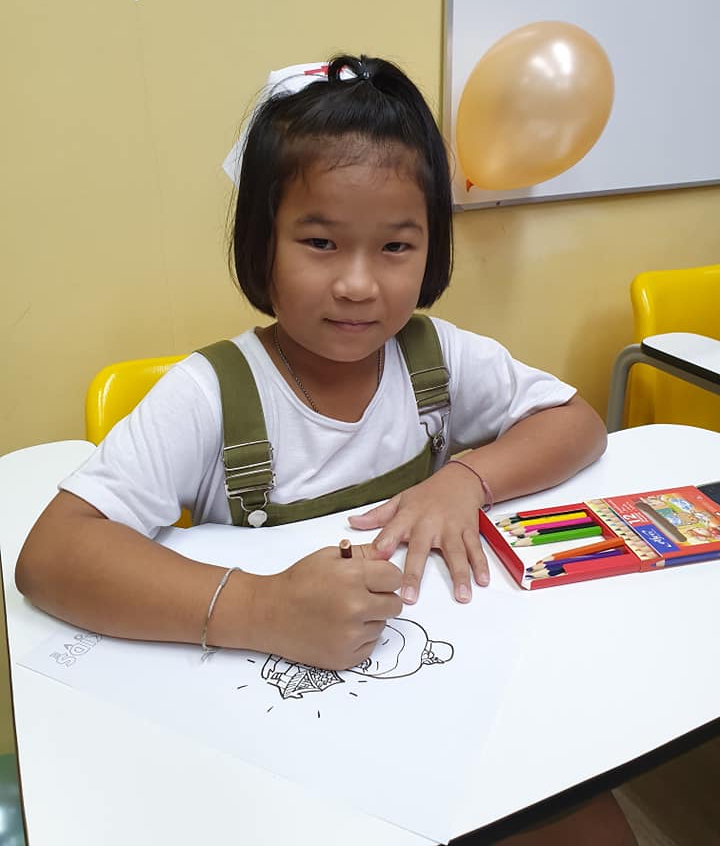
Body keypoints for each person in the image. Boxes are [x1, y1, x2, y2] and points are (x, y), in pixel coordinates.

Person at [15, 53, 635, 844]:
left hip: (436, 711)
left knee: (586, 817)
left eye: (396, 247)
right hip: (275, 743)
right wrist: (260, 609)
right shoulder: (210, 394)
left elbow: (576, 421)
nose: (358, 284)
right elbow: (53, 557)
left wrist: (466, 479)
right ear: (260, 244)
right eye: (320, 242)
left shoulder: (435, 359)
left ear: (433, 248)